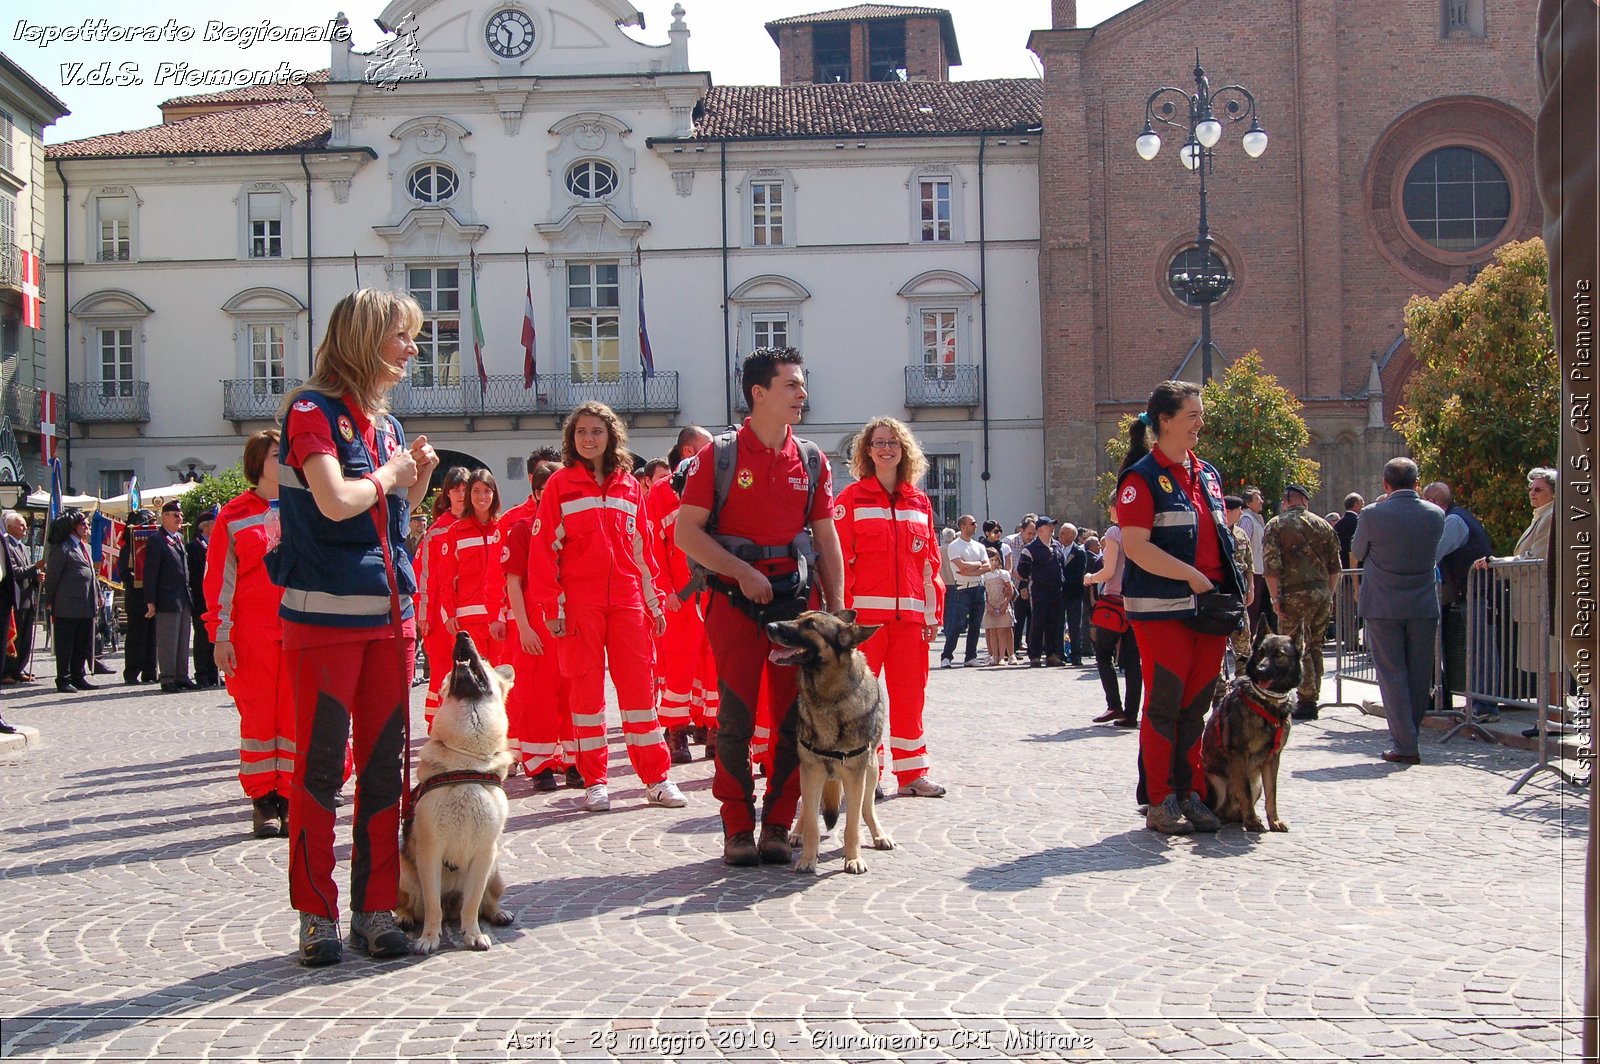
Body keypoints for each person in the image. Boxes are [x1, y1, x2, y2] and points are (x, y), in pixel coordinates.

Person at [274, 288, 439, 965]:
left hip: (388, 618)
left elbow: (393, 517)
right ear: (367, 337)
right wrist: (392, 474)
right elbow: (336, 500)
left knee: (382, 772)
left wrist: (416, 480)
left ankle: (373, 909)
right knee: (319, 775)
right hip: (323, 619)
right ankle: (316, 915)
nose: (411, 350)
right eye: (402, 336)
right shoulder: (310, 410)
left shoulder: (388, 425)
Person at [676, 347, 844, 867]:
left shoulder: (811, 459)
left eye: (802, 384)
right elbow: (686, 533)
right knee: (735, 718)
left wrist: (836, 608)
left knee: (795, 718)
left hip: (795, 607)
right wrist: (742, 572)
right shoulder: (718, 457)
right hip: (733, 605)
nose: (802, 393)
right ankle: (736, 827)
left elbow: (825, 537)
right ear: (759, 393)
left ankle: (777, 824)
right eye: (791, 384)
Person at [528, 401, 687, 814]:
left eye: (596, 431)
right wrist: (552, 608)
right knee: (586, 695)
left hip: (628, 602)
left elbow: (643, 550)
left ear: (610, 435)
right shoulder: (561, 485)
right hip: (579, 605)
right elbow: (544, 551)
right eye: (581, 431)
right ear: (571, 438)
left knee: (639, 693)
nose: (588, 438)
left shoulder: (630, 487)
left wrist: (653, 603)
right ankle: (595, 781)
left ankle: (656, 779)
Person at [1116, 380, 1244, 835]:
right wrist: (1190, 575)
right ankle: (1160, 799)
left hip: (1208, 609)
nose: (1200, 423)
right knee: (1165, 706)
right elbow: (1136, 547)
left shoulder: (1207, 473)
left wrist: (1233, 586)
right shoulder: (1141, 478)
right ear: (1164, 421)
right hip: (1163, 609)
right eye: (1192, 415)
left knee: (1197, 708)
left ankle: (1190, 793)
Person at [834, 416, 947, 797]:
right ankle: (867, 774)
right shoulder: (850, 500)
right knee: (861, 702)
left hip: (910, 622)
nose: (886, 449)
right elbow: (838, 564)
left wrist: (932, 615)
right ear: (867, 451)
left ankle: (912, 774)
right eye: (879, 442)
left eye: (893, 443)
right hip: (864, 623)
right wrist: (842, 620)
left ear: (904, 451)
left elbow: (930, 563)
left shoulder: (920, 503)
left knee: (910, 697)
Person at [205, 429, 295, 839]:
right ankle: (263, 801)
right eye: (279, 454)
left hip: (297, 626)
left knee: (295, 716)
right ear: (259, 461)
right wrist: (220, 634)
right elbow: (219, 581)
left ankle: (293, 797)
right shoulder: (234, 515)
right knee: (259, 718)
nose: (287, 459)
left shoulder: (304, 506)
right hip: (251, 634)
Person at [1350, 457, 1446, 766]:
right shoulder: (1435, 514)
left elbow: (1358, 551)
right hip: (1423, 603)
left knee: (1392, 674)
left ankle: (1405, 743)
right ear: (1418, 483)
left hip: (1383, 603)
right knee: (1419, 675)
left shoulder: (1372, 514)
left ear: (1385, 485)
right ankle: (1409, 736)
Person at [502, 451, 579, 789]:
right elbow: (512, 582)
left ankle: (574, 760)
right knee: (538, 698)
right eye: (545, 491)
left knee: (573, 695)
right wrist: (524, 627)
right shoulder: (522, 529)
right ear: (535, 494)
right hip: (537, 624)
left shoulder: (575, 526)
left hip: (571, 621)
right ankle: (540, 765)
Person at [646, 425, 718, 765]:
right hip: (681, 596)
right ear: (689, 452)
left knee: (716, 665)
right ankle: (676, 732)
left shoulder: (716, 486)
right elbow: (651, 548)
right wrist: (664, 592)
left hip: (716, 591)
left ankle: (716, 729)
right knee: (679, 667)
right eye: (707, 448)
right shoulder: (661, 493)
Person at [1475, 467, 1564, 735]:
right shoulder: (1541, 516)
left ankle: (1553, 718)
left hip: (1541, 598)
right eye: (1531, 489)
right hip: (1531, 600)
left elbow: (1535, 558)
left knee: (1549, 662)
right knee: (1541, 662)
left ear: (1554, 493)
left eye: (1539, 489)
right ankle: (1547, 717)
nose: (1532, 493)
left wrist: (1496, 563)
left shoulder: (1551, 517)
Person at [1261, 484, 1341, 721]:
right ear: (1305, 500)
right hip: (1320, 593)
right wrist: (1329, 594)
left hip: (1293, 594)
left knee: (1295, 646)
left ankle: (1302, 698)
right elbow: (1335, 566)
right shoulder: (1324, 525)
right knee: (1315, 645)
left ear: (1285, 501)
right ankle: (1311, 696)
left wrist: (1275, 598)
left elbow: (1271, 566)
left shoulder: (1276, 525)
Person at [1422, 481, 1496, 720]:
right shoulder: (1456, 517)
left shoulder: (1453, 521)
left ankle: (1485, 706)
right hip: (1472, 591)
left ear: (1433, 501)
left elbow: (1432, 554)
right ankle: (1479, 703)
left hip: (1478, 591)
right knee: (1476, 649)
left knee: (1480, 650)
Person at [436, 468, 508, 665]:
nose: (481, 496)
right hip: (468, 621)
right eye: (476, 491)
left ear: (494, 493)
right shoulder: (456, 532)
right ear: (469, 495)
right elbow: (446, 578)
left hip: (501, 619)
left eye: (486, 490)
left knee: (502, 681)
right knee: (472, 684)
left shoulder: (505, 527)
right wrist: (449, 614)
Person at [416, 466, 469, 723]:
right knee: (442, 671)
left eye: (464, 489)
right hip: (439, 618)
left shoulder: (482, 526)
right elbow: (424, 579)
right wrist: (424, 615)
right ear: (447, 494)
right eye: (455, 489)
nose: (461, 494)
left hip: (472, 612)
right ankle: (437, 726)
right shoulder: (435, 533)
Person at [1084, 503, 1141, 728]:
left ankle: (1114, 705)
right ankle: (1131, 713)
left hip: (1114, 602)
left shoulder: (1115, 532)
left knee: (1103, 654)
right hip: (1137, 603)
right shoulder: (1142, 530)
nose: (1108, 512)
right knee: (1133, 661)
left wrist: (1090, 578)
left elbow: (1108, 571)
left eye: (1110, 507)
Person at [141, 500, 197, 693]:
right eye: (175, 515)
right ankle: (167, 677)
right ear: (164, 517)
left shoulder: (179, 538)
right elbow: (151, 572)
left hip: (183, 597)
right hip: (166, 598)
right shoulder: (157, 540)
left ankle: (182, 676)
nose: (179, 518)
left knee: (182, 640)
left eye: (180, 515)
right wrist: (150, 600)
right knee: (168, 641)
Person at [44, 511, 98, 693]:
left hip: (86, 605)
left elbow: (92, 575)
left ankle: (78, 675)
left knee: (81, 644)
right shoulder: (63, 548)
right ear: (73, 527)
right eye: (84, 524)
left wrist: (96, 596)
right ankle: (63, 679)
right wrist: (50, 599)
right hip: (67, 606)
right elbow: (52, 577)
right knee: (66, 645)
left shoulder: (86, 547)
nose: (87, 527)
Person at [1017, 516, 1070, 668]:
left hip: (1057, 590)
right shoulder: (1030, 549)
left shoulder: (1057, 546)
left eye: (1053, 526)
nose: (1052, 529)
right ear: (1040, 529)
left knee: (1055, 622)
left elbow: (1062, 566)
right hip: (1039, 591)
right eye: (1049, 526)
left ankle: (1052, 654)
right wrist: (1024, 586)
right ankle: (1035, 655)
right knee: (1038, 622)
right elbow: (1022, 571)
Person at [940, 515, 988, 668]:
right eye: (972, 523)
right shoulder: (955, 545)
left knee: (975, 624)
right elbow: (961, 566)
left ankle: (970, 656)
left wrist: (972, 570)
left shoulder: (979, 546)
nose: (975, 525)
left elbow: (988, 566)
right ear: (963, 527)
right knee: (957, 624)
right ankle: (946, 656)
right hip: (962, 588)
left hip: (978, 587)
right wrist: (977, 565)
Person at [118, 508, 159, 685]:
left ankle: (150, 671)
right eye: (148, 522)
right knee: (136, 636)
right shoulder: (128, 548)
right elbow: (124, 573)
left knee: (152, 636)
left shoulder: (154, 545)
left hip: (153, 596)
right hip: (137, 598)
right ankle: (132, 671)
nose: (151, 525)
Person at [1, 512, 41, 684]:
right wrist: (34, 568)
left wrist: (37, 577)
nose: (25, 528)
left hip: (27, 598)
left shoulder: (23, 547)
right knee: (13, 639)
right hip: (15, 599)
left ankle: (19, 669)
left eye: (25, 524)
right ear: (10, 527)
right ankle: (7, 671)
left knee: (26, 638)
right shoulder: (6, 546)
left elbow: (27, 572)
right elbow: (15, 572)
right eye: (21, 525)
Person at [1220, 496, 1256, 684]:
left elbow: (1248, 564)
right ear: (1228, 511)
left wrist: (1251, 587)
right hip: (1221, 594)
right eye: (1238, 510)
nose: (1241, 513)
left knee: (1243, 638)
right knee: (1218, 642)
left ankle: (1244, 680)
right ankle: (1218, 686)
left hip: (1239, 593)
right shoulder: (1215, 531)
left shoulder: (1241, 534)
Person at [187, 506, 220, 688]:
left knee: (214, 638)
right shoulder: (194, 547)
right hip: (201, 600)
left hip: (214, 598)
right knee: (202, 638)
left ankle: (213, 672)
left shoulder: (216, 544)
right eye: (215, 523)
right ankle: (201, 674)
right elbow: (192, 575)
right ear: (205, 527)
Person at [1239, 487, 1275, 638]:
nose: (1261, 501)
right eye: (1257, 498)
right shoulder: (1247, 520)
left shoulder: (1255, 519)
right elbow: (1241, 547)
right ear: (1248, 503)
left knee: (1261, 612)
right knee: (1251, 613)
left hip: (1260, 572)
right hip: (1253, 573)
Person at [1056, 523, 1089, 665]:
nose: (1060, 535)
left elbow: (1078, 575)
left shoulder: (1079, 552)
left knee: (1075, 625)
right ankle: (1059, 654)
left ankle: (1076, 655)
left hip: (1074, 594)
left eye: (1063, 533)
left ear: (1071, 536)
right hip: (1059, 594)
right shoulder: (1056, 549)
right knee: (1058, 624)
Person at [1007, 515, 1037, 658]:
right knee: (1016, 619)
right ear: (1021, 530)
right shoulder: (1010, 542)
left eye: (1033, 534)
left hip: (1030, 585)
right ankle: (1012, 648)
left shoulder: (1035, 545)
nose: (1031, 537)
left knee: (1032, 618)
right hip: (1014, 585)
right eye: (1029, 533)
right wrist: (1022, 578)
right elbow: (1011, 567)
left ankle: (1032, 647)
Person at [982, 547, 1016, 667]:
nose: (994, 562)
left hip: (1002, 604)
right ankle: (994, 655)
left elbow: (1010, 590)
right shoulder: (983, 575)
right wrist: (988, 605)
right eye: (991, 560)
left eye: (996, 560)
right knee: (992, 631)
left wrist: (1005, 604)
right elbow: (983, 593)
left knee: (1003, 629)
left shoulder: (1003, 574)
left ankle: (1004, 655)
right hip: (990, 605)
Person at [1333, 493, 1364, 570]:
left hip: (1342, 564)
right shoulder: (1359, 522)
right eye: (1362, 504)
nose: (1363, 507)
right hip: (1357, 566)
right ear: (1356, 504)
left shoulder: (1338, 524)